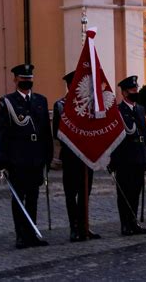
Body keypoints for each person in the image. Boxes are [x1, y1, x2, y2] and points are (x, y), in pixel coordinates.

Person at [0, 64, 53, 249]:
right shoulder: (7, 102)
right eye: (23, 79)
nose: (27, 82)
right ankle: (20, 235)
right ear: (15, 80)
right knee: (19, 199)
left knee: (33, 197)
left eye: (29, 79)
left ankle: (32, 234)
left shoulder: (40, 101)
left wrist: (48, 156)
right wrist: (3, 163)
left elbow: (45, 131)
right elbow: (3, 134)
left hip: (36, 158)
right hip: (18, 159)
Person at [53, 71, 101, 242]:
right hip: (71, 156)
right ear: (69, 86)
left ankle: (84, 226)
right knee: (71, 193)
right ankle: (74, 227)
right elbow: (57, 134)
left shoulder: (90, 105)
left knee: (85, 192)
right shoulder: (60, 106)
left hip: (87, 156)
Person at [108, 75, 146, 236]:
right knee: (125, 193)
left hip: (139, 157)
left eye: (136, 89)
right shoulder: (118, 111)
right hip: (125, 159)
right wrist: (114, 160)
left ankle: (133, 223)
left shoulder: (139, 109)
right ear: (124, 93)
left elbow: (144, 135)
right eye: (132, 90)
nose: (135, 92)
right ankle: (125, 224)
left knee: (135, 192)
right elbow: (114, 138)